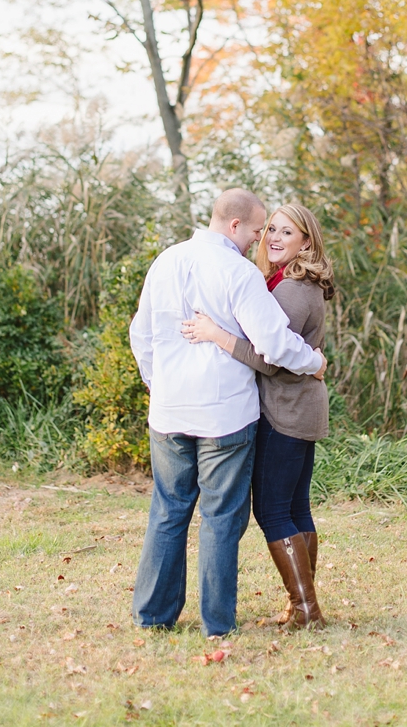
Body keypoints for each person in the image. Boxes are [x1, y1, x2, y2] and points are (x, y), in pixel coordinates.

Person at [129, 188, 327, 639]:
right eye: (260, 229)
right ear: (236, 226)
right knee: (221, 518)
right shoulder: (239, 273)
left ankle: (153, 616)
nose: (261, 238)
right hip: (225, 418)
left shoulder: (166, 261)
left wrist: (156, 383)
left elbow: (140, 333)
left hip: (169, 411)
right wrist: (315, 362)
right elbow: (275, 346)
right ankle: (217, 624)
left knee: (168, 510)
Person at [182, 203, 334, 630]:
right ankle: (303, 606)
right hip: (301, 405)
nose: (274, 238)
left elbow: (270, 359)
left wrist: (216, 334)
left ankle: (306, 610)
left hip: (286, 410)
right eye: (271, 230)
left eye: (288, 232)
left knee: (272, 511)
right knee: (295, 507)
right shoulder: (298, 282)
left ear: (307, 240)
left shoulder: (289, 288)